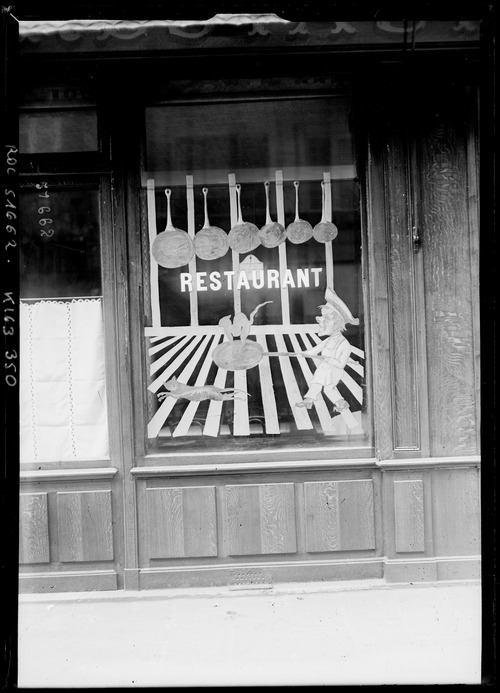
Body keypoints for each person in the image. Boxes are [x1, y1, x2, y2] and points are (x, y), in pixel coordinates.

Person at [296, 288, 359, 411]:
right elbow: (315, 350)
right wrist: (303, 354)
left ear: (336, 324)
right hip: (324, 367)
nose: (321, 321)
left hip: (334, 370)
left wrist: (329, 359)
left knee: (328, 389)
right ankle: (308, 401)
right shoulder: (328, 340)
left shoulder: (344, 344)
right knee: (315, 384)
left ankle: (342, 403)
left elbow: (341, 364)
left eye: (326, 319)